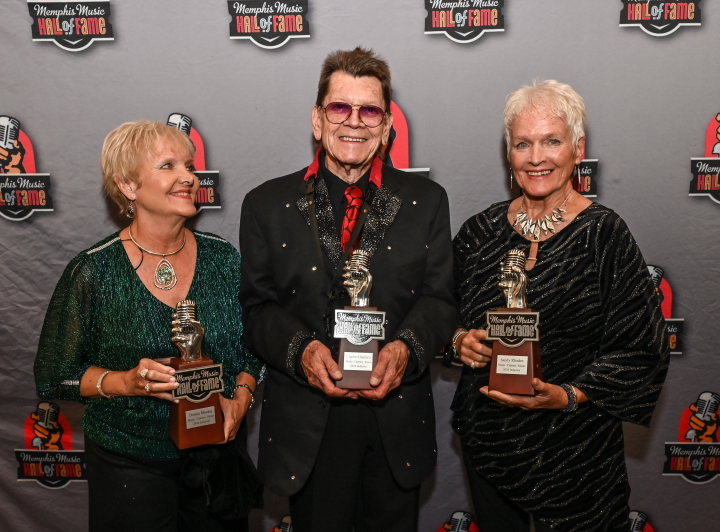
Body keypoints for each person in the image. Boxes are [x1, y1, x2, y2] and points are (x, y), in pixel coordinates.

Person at [239, 47, 457, 531]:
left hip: (394, 417)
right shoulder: (266, 204)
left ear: (386, 126)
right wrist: (302, 351)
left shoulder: (426, 201)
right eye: (340, 107)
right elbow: (257, 308)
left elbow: (440, 299)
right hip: (308, 421)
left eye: (370, 110)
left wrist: (404, 350)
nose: (354, 121)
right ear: (318, 120)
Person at [449, 80, 669, 532]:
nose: (536, 157)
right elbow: (438, 311)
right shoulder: (479, 232)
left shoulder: (603, 234)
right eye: (522, 144)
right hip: (491, 442)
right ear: (508, 153)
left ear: (578, 149)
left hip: (578, 451)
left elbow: (641, 347)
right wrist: (457, 340)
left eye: (552, 141)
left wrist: (568, 395)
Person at [34, 120, 265, 532]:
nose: (188, 177)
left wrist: (241, 397)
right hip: (129, 466)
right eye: (168, 166)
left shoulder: (224, 259)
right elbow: (55, 375)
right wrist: (126, 382)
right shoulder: (95, 271)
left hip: (217, 463)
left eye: (189, 165)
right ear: (127, 185)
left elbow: (255, 345)